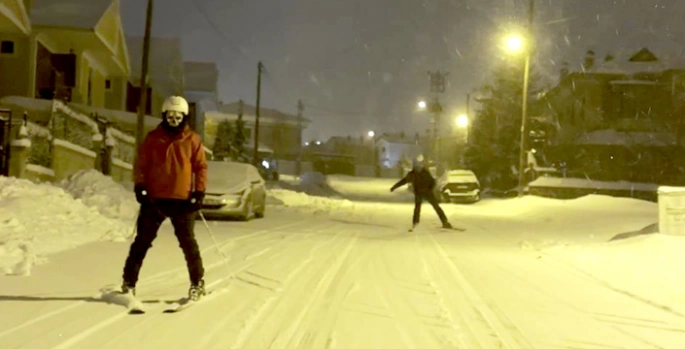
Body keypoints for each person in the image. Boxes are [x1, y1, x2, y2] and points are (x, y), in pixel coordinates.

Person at [121, 95, 208, 301]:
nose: (174, 120)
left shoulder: (192, 140)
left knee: (188, 244)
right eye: (170, 115)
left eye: (178, 116)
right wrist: (140, 186)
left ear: (184, 117)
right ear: (164, 116)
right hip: (155, 200)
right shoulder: (153, 138)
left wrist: (199, 192)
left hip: (183, 201)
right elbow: (141, 164)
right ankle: (128, 283)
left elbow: (200, 167)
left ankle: (197, 283)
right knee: (141, 242)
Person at [390, 156, 452, 231]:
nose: (418, 168)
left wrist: (430, 189)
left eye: (419, 167)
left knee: (436, 207)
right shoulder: (412, 174)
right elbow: (404, 181)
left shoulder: (425, 173)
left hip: (428, 193)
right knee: (417, 208)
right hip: (419, 193)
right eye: (417, 167)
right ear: (415, 167)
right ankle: (415, 222)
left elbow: (432, 182)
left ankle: (445, 222)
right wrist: (394, 187)